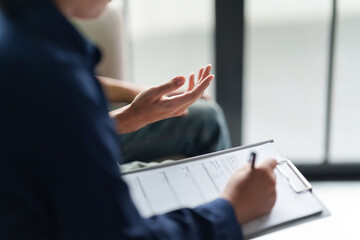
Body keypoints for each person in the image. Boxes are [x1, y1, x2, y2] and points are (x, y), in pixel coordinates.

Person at [0, 0, 277, 239]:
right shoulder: (50, 75)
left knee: (205, 118)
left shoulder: (27, 37)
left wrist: (135, 112)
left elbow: (56, 134)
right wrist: (231, 210)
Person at [99, 69, 232, 166]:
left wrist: (155, 95)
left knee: (206, 116)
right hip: (85, 137)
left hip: (94, 112)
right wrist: (130, 117)